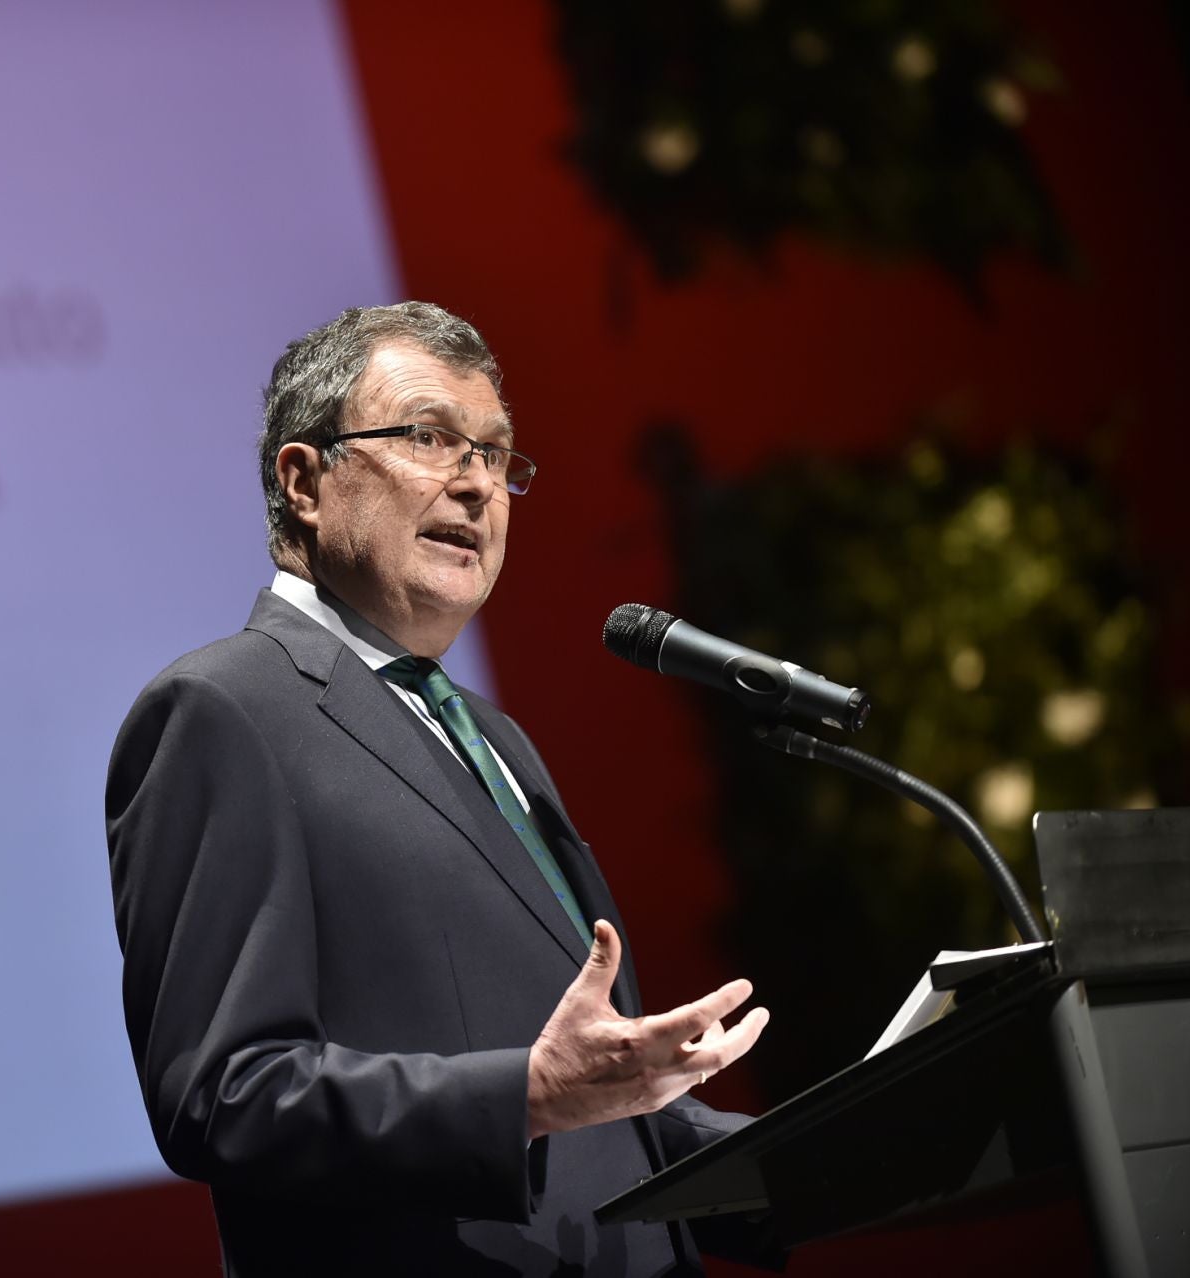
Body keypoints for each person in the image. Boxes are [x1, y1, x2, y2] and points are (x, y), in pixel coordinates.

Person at [105, 302, 772, 1276]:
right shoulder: (222, 711)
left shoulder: (490, 735)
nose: (476, 483)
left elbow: (602, 1121)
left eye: (497, 456)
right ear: (305, 481)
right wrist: (524, 1097)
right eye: (430, 438)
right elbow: (225, 1094)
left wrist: (810, 1158)